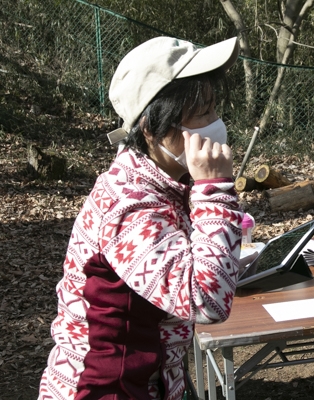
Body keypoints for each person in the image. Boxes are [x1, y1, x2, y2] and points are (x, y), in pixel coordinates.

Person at [39, 36, 242, 399]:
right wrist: (215, 188)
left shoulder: (165, 182)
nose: (216, 124)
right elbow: (206, 301)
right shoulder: (129, 204)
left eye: (214, 109)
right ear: (151, 127)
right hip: (105, 389)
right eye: (202, 113)